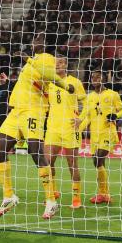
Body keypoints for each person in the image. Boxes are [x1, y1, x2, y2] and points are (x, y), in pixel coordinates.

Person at [0, 34, 75, 220]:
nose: (35, 41)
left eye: (39, 39)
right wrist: (10, 83)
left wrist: (28, 59)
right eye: (35, 39)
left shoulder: (46, 58)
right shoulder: (31, 63)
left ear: (45, 44)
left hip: (34, 110)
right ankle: (9, 196)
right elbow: (29, 84)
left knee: (35, 150)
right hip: (17, 111)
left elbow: (49, 76)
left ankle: (51, 201)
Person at [43, 57, 87, 209]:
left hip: (70, 128)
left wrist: (80, 119)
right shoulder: (48, 82)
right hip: (53, 127)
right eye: (55, 63)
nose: (58, 65)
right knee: (47, 162)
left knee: (72, 164)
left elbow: (86, 103)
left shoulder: (75, 82)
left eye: (61, 63)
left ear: (66, 65)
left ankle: (76, 199)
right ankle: (52, 193)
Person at [79, 70, 122, 204]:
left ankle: (103, 194)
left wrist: (115, 116)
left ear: (104, 79)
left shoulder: (112, 94)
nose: (95, 79)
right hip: (95, 135)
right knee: (98, 163)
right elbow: (87, 116)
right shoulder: (90, 97)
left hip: (108, 132)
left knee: (98, 159)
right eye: (93, 77)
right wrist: (78, 129)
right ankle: (103, 194)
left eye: (98, 76)